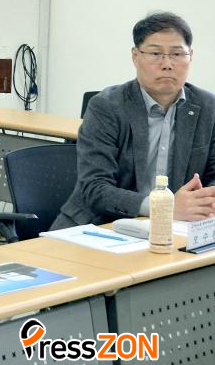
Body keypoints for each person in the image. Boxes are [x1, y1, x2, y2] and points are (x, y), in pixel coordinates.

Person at [51, 12, 215, 230]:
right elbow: (95, 187)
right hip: (100, 225)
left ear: (190, 56)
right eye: (155, 53)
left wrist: (206, 201)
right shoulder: (106, 107)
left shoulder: (208, 107)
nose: (167, 64)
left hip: (178, 227)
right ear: (135, 56)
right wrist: (162, 207)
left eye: (177, 54)